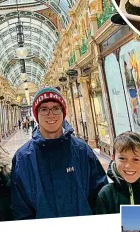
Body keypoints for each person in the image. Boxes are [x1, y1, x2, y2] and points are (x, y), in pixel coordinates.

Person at [11, 87, 108, 219]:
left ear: (63, 112)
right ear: (36, 115)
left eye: (56, 108)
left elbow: (101, 196)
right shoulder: (23, 158)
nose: (51, 115)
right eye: (44, 109)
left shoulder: (82, 151)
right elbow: (20, 208)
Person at [95, 132, 140, 214]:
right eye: (122, 158)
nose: (128, 165)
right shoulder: (106, 195)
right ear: (113, 159)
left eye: (135, 159)